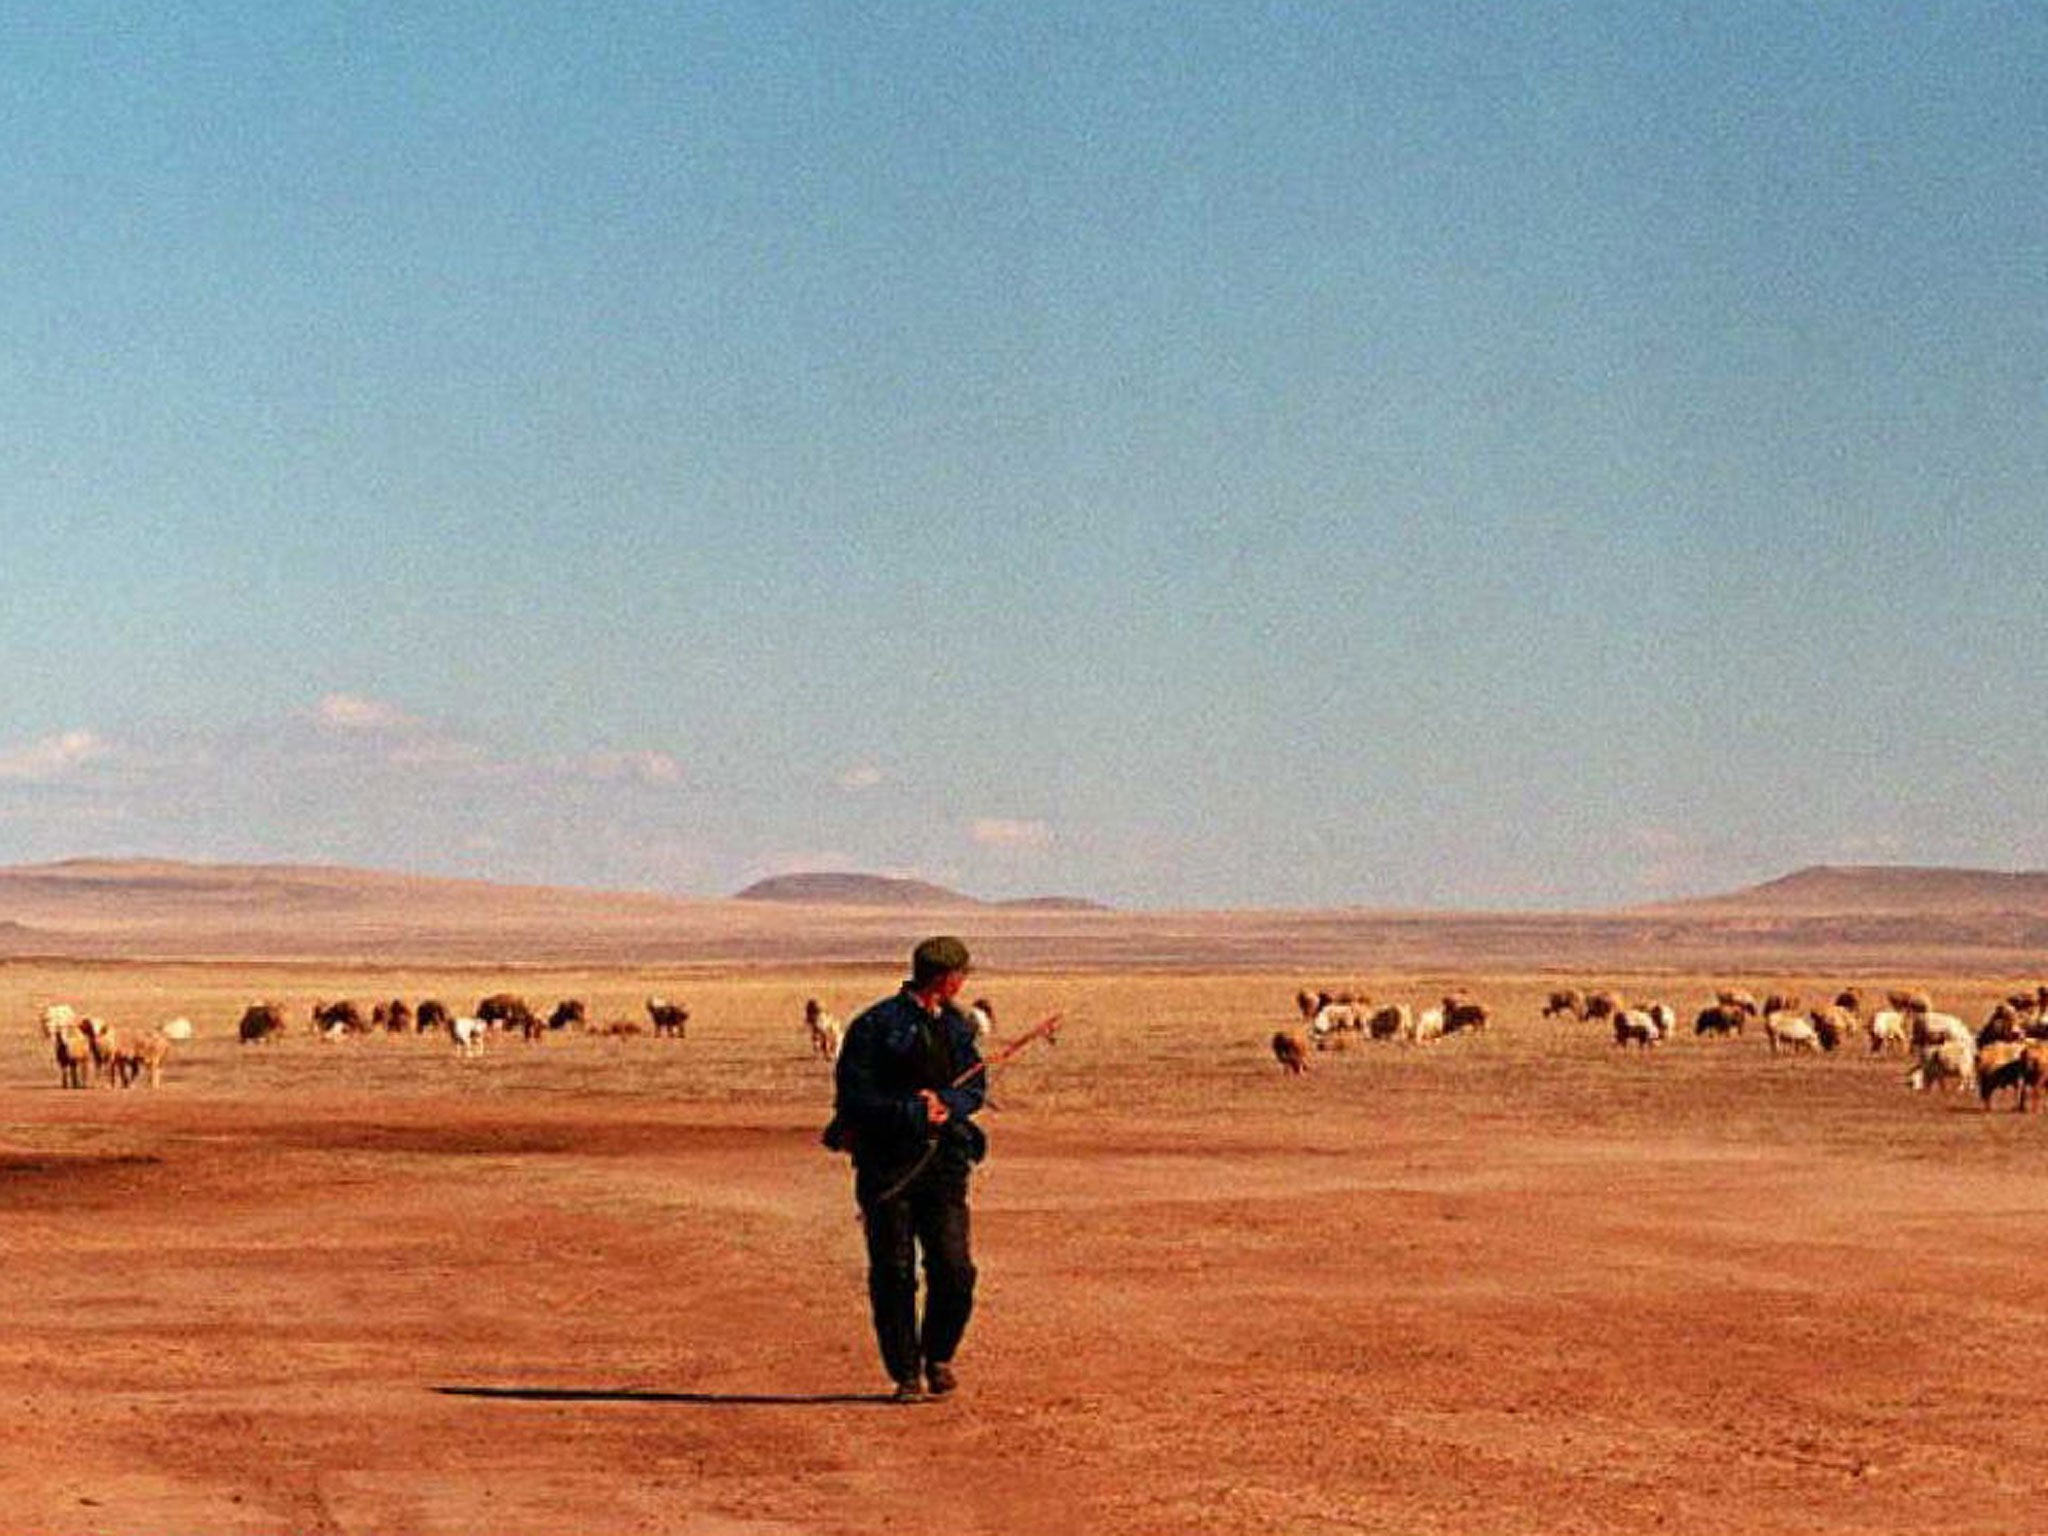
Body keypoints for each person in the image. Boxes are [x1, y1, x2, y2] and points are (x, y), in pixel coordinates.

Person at [831, 934, 986, 1403]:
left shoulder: (958, 1029)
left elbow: (976, 1088)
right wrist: (914, 1111)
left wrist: (947, 1103)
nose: (962, 983)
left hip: (945, 1164)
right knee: (894, 1272)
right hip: (887, 1168)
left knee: (955, 1269)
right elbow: (854, 1100)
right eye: (960, 975)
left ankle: (938, 1354)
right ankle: (906, 1374)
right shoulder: (874, 1027)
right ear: (945, 978)